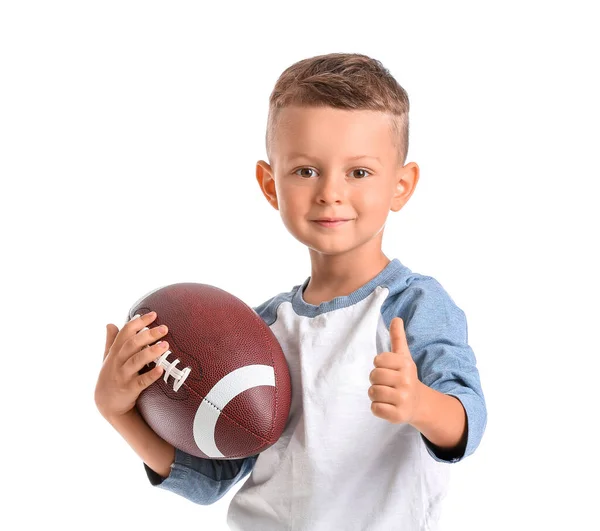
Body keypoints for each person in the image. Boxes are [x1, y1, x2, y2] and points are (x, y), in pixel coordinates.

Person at [95, 52, 487, 530]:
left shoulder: (414, 305)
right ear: (270, 183)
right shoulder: (257, 331)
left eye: (358, 172)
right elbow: (211, 480)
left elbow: (468, 422)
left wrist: (421, 403)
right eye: (305, 171)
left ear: (401, 186)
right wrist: (118, 412)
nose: (330, 192)